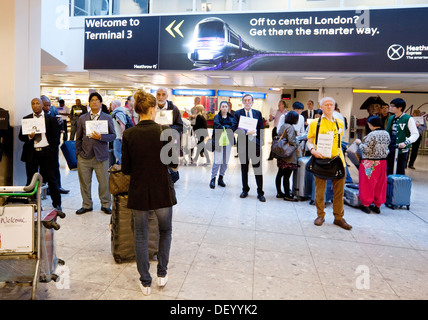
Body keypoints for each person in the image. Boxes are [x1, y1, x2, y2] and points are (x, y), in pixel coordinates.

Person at [121, 89, 178, 296]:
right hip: (162, 188)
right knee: (165, 231)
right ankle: (162, 273)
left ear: (138, 111)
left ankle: (145, 281)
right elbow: (173, 164)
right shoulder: (165, 132)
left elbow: (126, 168)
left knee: (141, 235)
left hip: (139, 189)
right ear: (153, 109)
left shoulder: (128, 134)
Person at [307, 96, 352, 230]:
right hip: (321, 160)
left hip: (338, 161)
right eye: (326, 105)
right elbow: (309, 140)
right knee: (320, 191)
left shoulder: (340, 122)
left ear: (334, 107)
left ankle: (338, 217)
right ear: (321, 108)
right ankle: (320, 215)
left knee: (339, 191)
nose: (329, 107)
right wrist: (313, 150)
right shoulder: (315, 123)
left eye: (331, 105)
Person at [18, 98, 63, 213]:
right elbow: (21, 137)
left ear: (42, 105)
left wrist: (51, 151)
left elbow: (56, 138)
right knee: (31, 180)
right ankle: (32, 203)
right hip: (32, 153)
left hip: (47, 153)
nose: (35, 105)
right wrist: (29, 137)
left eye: (38, 103)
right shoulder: (27, 119)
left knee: (52, 179)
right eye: (33, 103)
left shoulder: (51, 119)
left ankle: (57, 203)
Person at [75, 92, 116, 215]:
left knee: (104, 183)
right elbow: (78, 137)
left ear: (101, 103)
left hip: (101, 157)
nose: (94, 102)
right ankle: (87, 205)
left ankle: (106, 204)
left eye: (97, 100)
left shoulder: (107, 117)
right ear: (89, 103)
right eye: (92, 100)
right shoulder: (82, 118)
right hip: (84, 156)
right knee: (85, 183)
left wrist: (101, 137)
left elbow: (113, 136)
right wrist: (78, 153)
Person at [232, 94, 265, 202]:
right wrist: (246, 132)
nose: (247, 102)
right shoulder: (238, 113)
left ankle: (260, 192)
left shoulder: (257, 113)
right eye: (245, 100)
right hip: (242, 145)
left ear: (252, 102)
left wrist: (260, 142)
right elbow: (234, 128)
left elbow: (261, 128)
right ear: (243, 102)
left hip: (254, 144)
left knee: (257, 169)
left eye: (249, 100)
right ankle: (245, 189)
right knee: (244, 168)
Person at [354, 115, 390, 214]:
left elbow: (366, 149)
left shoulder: (371, 135)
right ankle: (377, 206)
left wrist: (359, 143)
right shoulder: (386, 133)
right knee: (380, 184)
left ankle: (366, 205)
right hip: (382, 162)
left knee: (367, 184)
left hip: (369, 162)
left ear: (371, 124)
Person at [40, 95, 69, 194]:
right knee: (43, 169)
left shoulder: (53, 111)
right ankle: (46, 188)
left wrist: (59, 123)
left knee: (55, 167)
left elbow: (59, 126)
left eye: (49, 105)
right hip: (42, 146)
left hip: (53, 145)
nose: (47, 107)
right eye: (45, 105)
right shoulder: (38, 115)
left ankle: (57, 187)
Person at [385, 98, 419, 175]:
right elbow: (388, 132)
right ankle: (389, 186)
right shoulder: (391, 118)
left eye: (393, 106)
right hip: (391, 147)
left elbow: (415, 134)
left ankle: (399, 186)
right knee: (389, 169)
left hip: (401, 149)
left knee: (400, 170)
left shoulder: (408, 118)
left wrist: (406, 142)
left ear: (400, 107)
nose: (391, 108)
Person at [209, 101, 235, 188]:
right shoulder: (217, 117)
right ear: (220, 108)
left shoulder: (232, 117)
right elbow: (217, 126)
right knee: (217, 160)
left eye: (226, 106)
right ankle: (213, 178)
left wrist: (226, 127)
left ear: (228, 108)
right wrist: (226, 127)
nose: (224, 108)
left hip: (228, 141)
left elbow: (233, 127)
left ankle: (221, 178)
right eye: (222, 106)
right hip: (218, 141)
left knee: (225, 161)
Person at [275, 111, 299, 201]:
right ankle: (287, 195)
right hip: (288, 155)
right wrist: (297, 143)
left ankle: (279, 192)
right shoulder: (291, 127)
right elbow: (292, 141)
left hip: (281, 153)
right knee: (287, 176)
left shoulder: (283, 126)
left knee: (280, 174)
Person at [110, 100, 127, 164]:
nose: (111, 106)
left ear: (114, 105)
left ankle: (125, 165)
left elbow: (122, 125)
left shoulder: (118, 113)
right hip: (117, 136)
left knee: (117, 153)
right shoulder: (118, 112)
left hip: (118, 137)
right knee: (118, 152)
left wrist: (122, 135)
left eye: (111, 105)